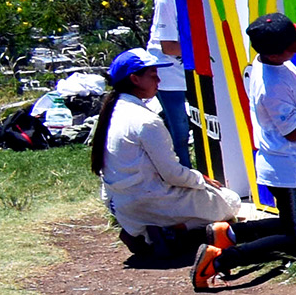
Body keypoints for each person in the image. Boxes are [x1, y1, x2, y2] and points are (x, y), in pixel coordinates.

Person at [194, 13, 296, 289]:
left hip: (293, 165)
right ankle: (220, 260)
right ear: (275, 55)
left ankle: (230, 232)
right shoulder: (271, 86)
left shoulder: (271, 63)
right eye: (292, 46)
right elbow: (292, 132)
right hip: (288, 168)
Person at [93, 49, 242, 259]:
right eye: (153, 75)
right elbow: (172, 174)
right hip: (148, 201)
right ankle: (173, 231)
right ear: (135, 79)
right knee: (232, 201)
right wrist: (201, 181)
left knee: (209, 199)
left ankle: (149, 231)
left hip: (123, 207)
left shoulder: (112, 112)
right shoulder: (146, 120)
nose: (158, 80)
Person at [148, 0, 192, 166]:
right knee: (179, 130)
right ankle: (182, 171)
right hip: (169, 71)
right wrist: (205, 50)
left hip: (193, 68)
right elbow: (169, 46)